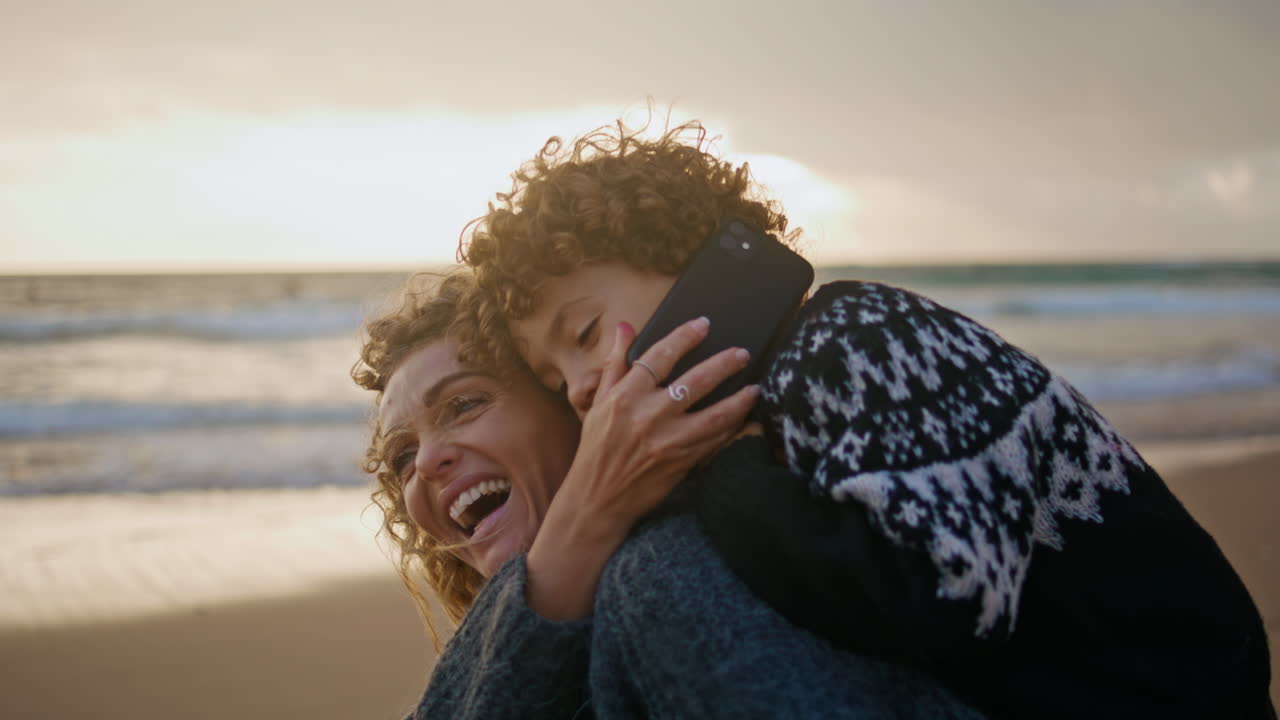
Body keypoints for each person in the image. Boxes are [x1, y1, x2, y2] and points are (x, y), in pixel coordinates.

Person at [459, 119, 1275, 719]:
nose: (578, 388)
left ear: (694, 262)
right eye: (553, 377)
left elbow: (951, 593)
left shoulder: (859, 339)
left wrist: (732, 477)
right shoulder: (779, 406)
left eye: (586, 334)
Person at [352, 271, 987, 719]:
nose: (428, 461)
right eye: (401, 458)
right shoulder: (524, 643)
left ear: (586, 404)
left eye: (465, 404)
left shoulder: (673, 572)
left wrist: (587, 516)